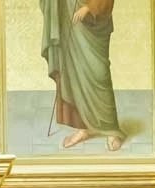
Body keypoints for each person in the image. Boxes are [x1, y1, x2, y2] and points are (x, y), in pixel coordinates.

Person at [40, 0, 124, 150]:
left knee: (99, 73)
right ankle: (82, 128)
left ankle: (111, 128)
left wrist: (89, 7)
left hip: (95, 19)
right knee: (73, 72)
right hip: (69, 13)